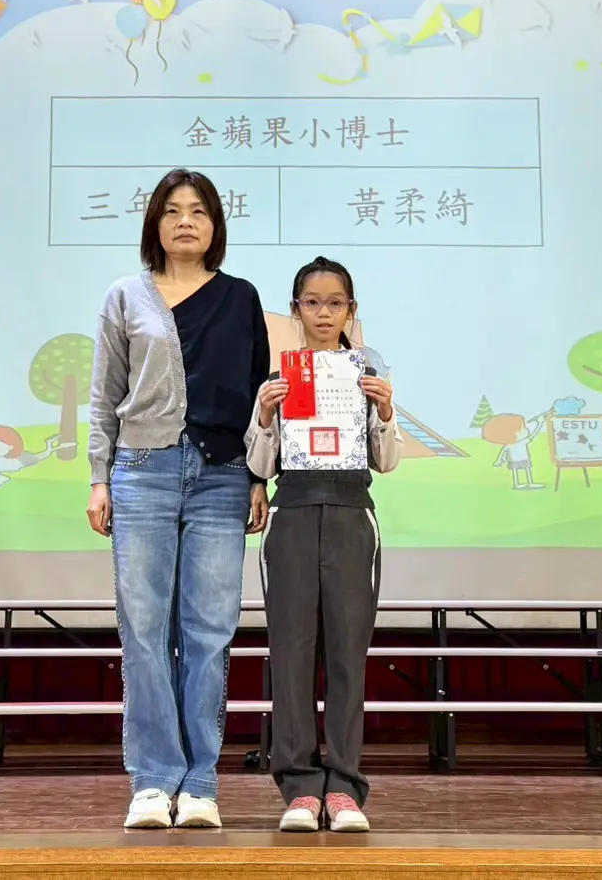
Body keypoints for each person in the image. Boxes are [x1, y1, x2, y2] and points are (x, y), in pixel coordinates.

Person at [86, 168, 270, 831]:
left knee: (209, 632)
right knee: (142, 629)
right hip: (143, 471)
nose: (185, 220)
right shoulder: (124, 295)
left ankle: (199, 785)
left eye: (198, 210)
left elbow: (259, 394)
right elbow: (104, 392)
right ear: (154, 224)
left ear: (215, 224)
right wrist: (98, 476)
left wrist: (259, 476)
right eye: (171, 210)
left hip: (224, 475)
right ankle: (152, 779)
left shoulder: (240, 297)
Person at [245, 256, 402, 834]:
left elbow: (386, 462)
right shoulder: (279, 379)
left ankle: (344, 788)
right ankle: (300, 789)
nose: (323, 313)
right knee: (290, 654)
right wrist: (266, 415)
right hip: (291, 514)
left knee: (346, 655)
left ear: (350, 311)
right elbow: (260, 463)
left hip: (352, 516)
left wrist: (384, 410)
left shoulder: (367, 376)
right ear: (296, 311)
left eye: (335, 303)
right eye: (312, 303)